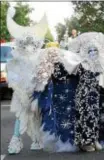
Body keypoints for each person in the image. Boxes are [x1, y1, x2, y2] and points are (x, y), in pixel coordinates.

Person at [33, 32, 104, 153]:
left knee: (96, 111)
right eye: (91, 51)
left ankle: (92, 139)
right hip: (85, 93)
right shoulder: (82, 66)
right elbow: (67, 65)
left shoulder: (101, 69)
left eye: (95, 51)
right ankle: (85, 142)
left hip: (92, 92)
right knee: (86, 112)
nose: (93, 54)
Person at [6, 7, 48, 154]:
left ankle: (36, 140)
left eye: (32, 44)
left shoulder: (39, 57)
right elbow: (12, 75)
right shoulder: (16, 59)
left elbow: (42, 74)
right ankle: (16, 140)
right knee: (21, 115)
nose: (29, 47)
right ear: (22, 45)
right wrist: (19, 89)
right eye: (26, 44)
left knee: (36, 114)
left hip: (35, 91)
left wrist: (40, 85)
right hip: (21, 92)